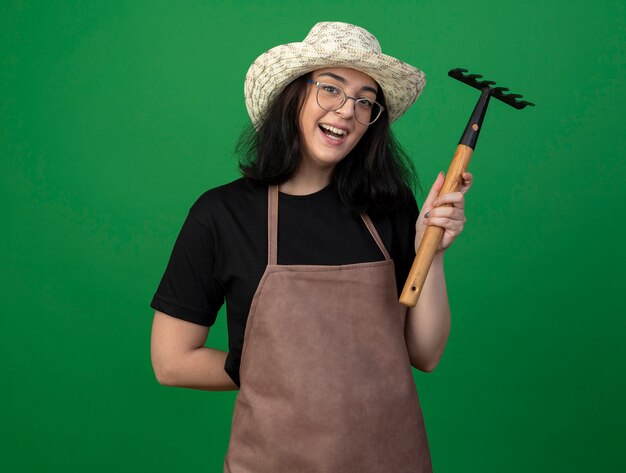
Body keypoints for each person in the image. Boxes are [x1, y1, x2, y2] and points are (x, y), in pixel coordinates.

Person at [150, 21, 472, 473]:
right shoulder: (221, 216)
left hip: (391, 458)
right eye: (331, 89)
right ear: (294, 95)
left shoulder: (389, 206)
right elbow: (171, 362)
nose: (347, 110)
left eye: (366, 101)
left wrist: (431, 251)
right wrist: (280, 375)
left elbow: (425, 353)